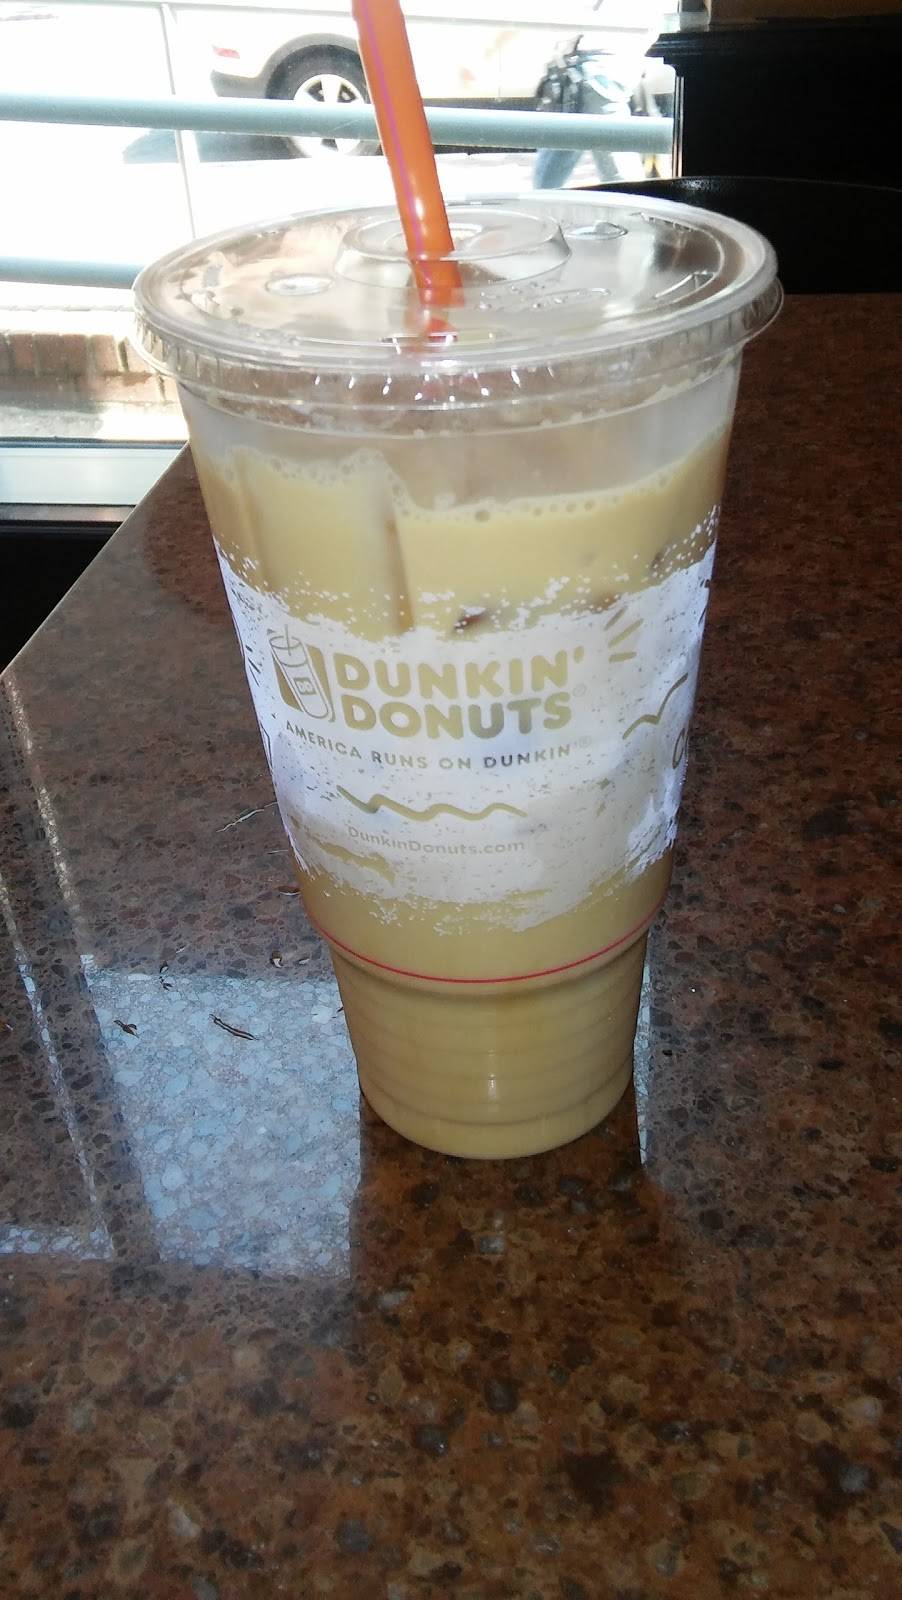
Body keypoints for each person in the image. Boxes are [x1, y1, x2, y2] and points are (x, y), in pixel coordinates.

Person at [533, 0, 666, 191]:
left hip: (594, 65)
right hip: (609, 66)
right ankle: (631, 204)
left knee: (564, 150)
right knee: (612, 157)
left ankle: (539, 202)